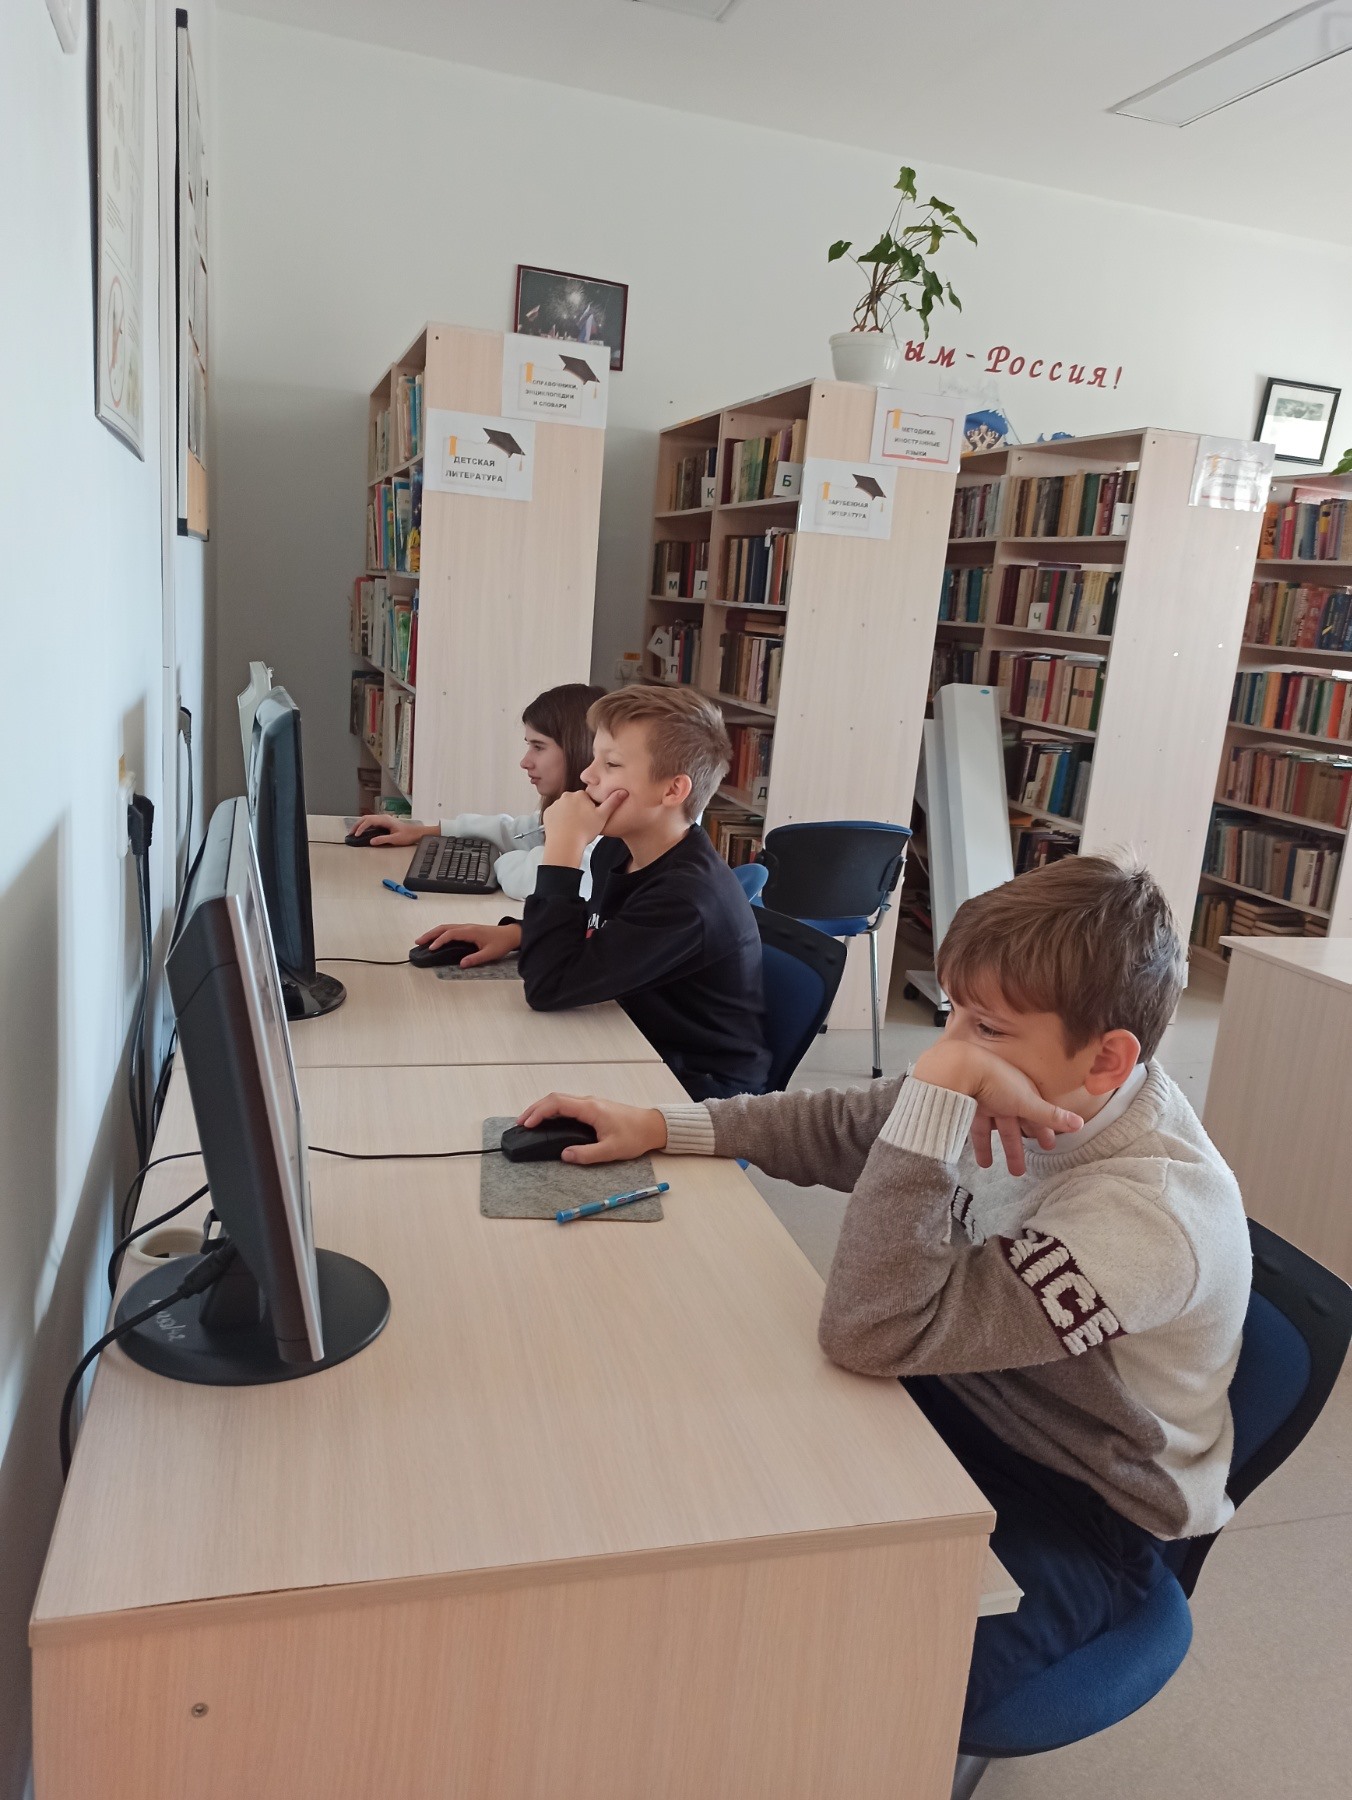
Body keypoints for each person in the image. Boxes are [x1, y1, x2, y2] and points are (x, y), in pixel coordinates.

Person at [512, 855, 1252, 1726]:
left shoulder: (1150, 1218)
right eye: (954, 1015)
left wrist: (939, 1094)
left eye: (986, 1027)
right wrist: (661, 1125)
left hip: (1080, 1498)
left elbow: (873, 1330)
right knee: (693, 1473)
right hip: (956, 1392)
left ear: (1107, 1059)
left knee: (839, 1689)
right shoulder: (1008, 1076)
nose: (950, 1050)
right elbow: (848, 1125)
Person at [420, 686, 770, 1101]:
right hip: (632, 1040)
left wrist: (564, 846)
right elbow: (604, 933)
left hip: (693, 1089)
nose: (587, 776)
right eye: (593, 759)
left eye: (612, 764)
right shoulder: (619, 849)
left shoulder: (686, 898)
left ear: (673, 790)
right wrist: (519, 933)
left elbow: (548, 987)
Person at [348, 682, 605, 900]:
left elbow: (530, 882)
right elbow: (514, 831)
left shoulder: (597, 836)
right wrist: (418, 832)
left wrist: (497, 860)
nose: (525, 762)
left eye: (538, 747)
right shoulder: (576, 809)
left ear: (578, 750)